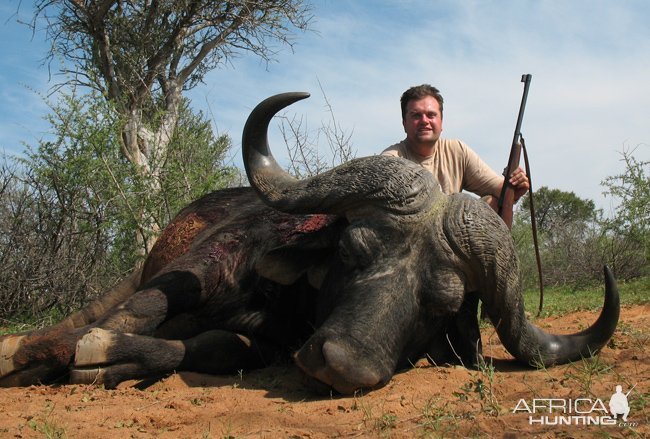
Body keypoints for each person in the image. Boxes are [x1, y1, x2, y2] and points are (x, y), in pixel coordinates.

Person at [381, 84, 529, 210]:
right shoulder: (390, 160)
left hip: (452, 237)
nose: (424, 121)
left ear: (441, 122)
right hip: (408, 240)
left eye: (431, 115)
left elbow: (502, 192)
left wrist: (516, 186)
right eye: (416, 115)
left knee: (493, 203)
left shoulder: (457, 151)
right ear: (404, 123)